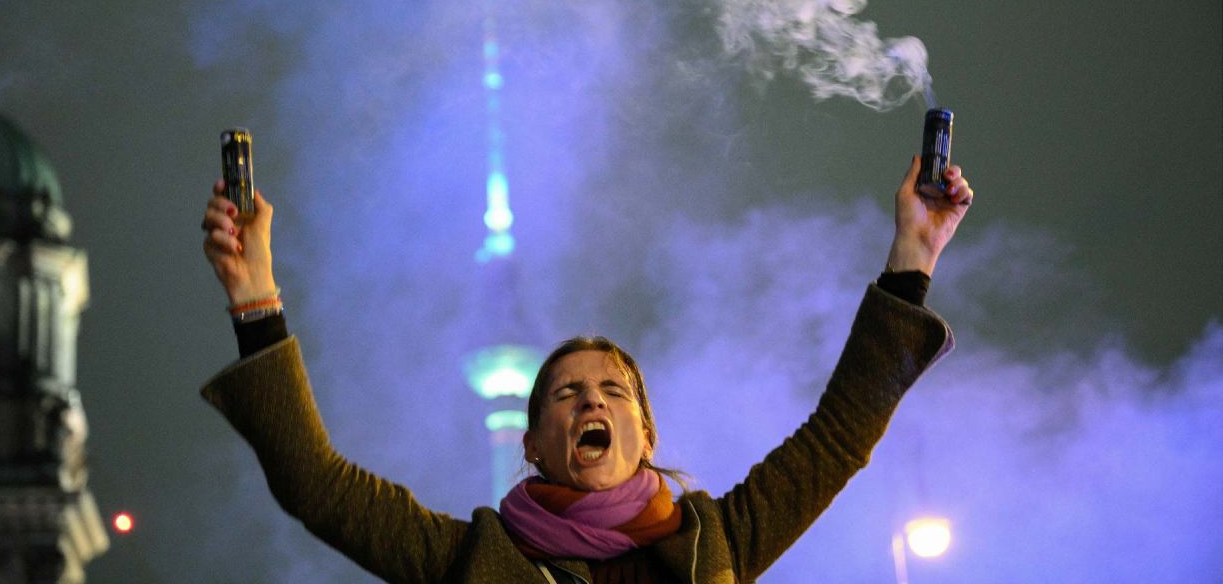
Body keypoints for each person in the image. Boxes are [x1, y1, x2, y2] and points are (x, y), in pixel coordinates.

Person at [199, 156, 973, 583]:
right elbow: (316, 484)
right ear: (535, 443)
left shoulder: (721, 540)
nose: (590, 401)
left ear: (645, 431)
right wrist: (254, 297)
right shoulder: (474, 561)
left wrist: (914, 257)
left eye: (612, 390)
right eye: (566, 394)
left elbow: (838, 435)